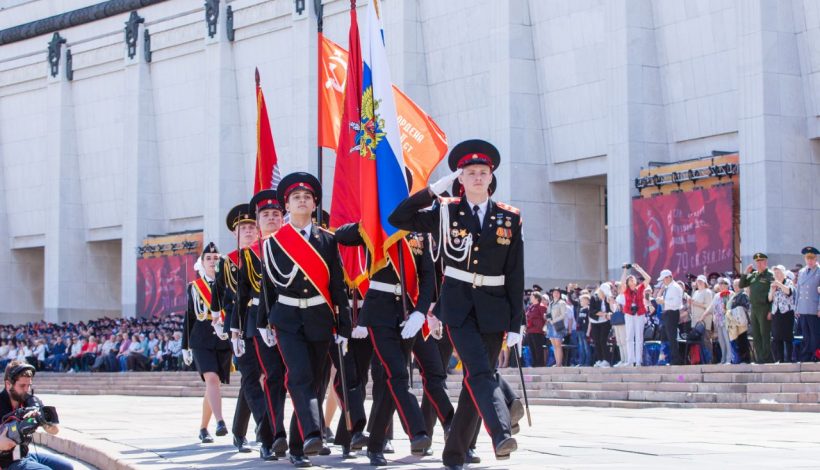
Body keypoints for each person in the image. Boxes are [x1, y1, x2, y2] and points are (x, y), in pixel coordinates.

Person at [389, 139, 522, 470]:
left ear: (491, 178)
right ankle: (500, 433)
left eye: (483, 172)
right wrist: (432, 191)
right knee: (479, 371)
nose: (477, 177)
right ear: (459, 179)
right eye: (470, 172)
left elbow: (515, 273)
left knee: (474, 384)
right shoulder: (445, 211)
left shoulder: (509, 218)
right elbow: (398, 217)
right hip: (458, 306)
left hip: (494, 308)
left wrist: (516, 323)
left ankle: (454, 454)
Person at [259, 172, 354, 467]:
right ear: (287, 205)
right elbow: (268, 287)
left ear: (314, 205)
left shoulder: (327, 240)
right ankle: (314, 432)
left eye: (307, 198)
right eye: (296, 198)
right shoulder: (274, 242)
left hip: (319, 316)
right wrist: (264, 323)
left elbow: (337, 284)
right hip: (287, 317)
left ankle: (299, 448)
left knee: (314, 381)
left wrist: (344, 325)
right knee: (298, 376)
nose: (302, 201)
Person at [335, 221, 438, 465]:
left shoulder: (419, 232)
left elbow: (428, 276)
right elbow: (342, 236)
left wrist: (420, 312)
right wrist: (370, 218)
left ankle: (375, 444)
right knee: (398, 373)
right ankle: (418, 432)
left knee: (391, 383)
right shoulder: (376, 225)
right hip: (379, 311)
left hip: (408, 313)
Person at [227, 197, 283, 461]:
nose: (249, 231)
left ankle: (242, 428)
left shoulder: (272, 249)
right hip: (247, 322)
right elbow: (234, 297)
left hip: (276, 318)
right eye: (244, 229)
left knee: (259, 380)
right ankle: (265, 430)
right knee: (251, 378)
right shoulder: (232, 260)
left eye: (252, 227)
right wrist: (233, 330)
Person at [182, 242, 231, 444]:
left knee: (214, 384)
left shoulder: (228, 285)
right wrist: (185, 346)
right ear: (201, 262)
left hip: (222, 339)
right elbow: (189, 317)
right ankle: (220, 422)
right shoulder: (194, 288)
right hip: (200, 338)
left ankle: (203, 427)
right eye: (208, 259)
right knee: (211, 378)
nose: (212, 262)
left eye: (216, 258)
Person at [0, 361, 73, 470]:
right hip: (6, 463)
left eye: (29, 385)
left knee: (66, 467)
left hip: (23, 455)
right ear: (8, 384)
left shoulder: (29, 401)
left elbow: (55, 430)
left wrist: (42, 421)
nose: (26, 390)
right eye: (22, 386)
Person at [739, 253, 774, 363]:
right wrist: (745, 273)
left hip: (765, 308)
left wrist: (771, 310)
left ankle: (766, 359)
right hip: (754, 308)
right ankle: (759, 358)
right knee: (756, 334)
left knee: (765, 334)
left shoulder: (770, 275)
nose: (758, 264)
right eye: (757, 262)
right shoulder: (753, 275)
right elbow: (741, 285)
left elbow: (775, 294)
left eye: (761, 261)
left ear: (765, 262)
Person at [620, 264, 651, 367]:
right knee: (629, 337)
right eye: (630, 280)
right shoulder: (626, 290)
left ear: (635, 281)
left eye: (633, 279)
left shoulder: (640, 288)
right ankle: (630, 360)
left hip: (640, 313)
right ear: (628, 283)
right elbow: (622, 282)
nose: (631, 281)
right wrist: (625, 270)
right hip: (629, 313)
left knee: (639, 337)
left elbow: (648, 278)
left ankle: (638, 360)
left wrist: (639, 269)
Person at [795, 247, 820, 362]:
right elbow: (798, 291)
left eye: (812, 258)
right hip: (803, 307)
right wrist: (797, 308)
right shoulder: (802, 272)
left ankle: (816, 355)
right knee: (806, 334)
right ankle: (806, 355)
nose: (810, 261)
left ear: (816, 258)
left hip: (814, 308)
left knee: (815, 334)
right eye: (807, 258)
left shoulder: (819, 271)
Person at [701, 278, 733, 365]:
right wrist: (704, 315)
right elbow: (711, 307)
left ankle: (729, 359)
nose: (722, 285)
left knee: (727, 340)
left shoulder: (731, 294)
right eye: (721, 283)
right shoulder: (717, 295)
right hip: (719, 321)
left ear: (728, 285)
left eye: (724, 283)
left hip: (728, 321)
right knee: (721, 341)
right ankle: (723, 359)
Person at [655, 269, 684, 365]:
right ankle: (670, 358)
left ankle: (676, 359)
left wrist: (664, 301)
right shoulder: (669, 287)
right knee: (667, 337)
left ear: (669, 277)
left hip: (672, 313)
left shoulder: (675, 287)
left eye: (664, 279)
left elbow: (676, 304)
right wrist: (663, 300)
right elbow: (670, 301)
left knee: (672, 337)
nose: (663, 281)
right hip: (667, 313)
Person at [768, 265, 795, 363]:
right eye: (775, 273)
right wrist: (772, 290)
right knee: (777, 337)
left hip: (787, 313)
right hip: (776, 313)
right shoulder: (773, 284)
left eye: (778, 273)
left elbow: (789, 292)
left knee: (787, 337)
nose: (777, 275)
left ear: (784, 273)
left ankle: (789, 359)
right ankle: (779, 359)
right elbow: (770, 298)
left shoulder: (788, 282)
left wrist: (779, 284)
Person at [727, 279, 752, 363]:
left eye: (737, 284)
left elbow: (747, 307)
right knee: (738, 341)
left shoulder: (743, 294)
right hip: (735, 322)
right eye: (734, 285)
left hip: (742, 322)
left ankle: (746, 359)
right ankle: (739, 359)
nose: (735, 286)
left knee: (743, 340)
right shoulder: (734, 296)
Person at [589, 283, 612, 367]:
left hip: (605, 322)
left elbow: (611, 310)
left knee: (603, 340)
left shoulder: (608, 298)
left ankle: (606, 360)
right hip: (595, 322)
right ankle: (600, 359)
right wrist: (604, 314)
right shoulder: (594, 298)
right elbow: (592, 311)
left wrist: (608, 312)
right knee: (597, 341)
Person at [546, 289, 568, 367]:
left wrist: (554, 320)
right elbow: (548, 313)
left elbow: (563, 315)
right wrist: (548, 319)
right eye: (554, 293)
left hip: (558, 325)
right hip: (551, 325)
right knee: (554, 346)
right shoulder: (551, 303)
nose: (555, 294)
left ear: (560, 294)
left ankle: (559, 363)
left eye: (557, 293)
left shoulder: (562, 303)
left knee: (558, 345)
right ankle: (557, 362)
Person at [524, 292, 547, 367]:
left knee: (538, 348)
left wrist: (543, 328)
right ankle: (535, 363)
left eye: (532, 296)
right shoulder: (531, 306)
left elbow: (545, 319)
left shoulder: (541, 306)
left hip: (537, 331)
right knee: (532, 348)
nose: (530, 297)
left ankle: (540, 364)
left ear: (537, 298)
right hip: (530, 330)